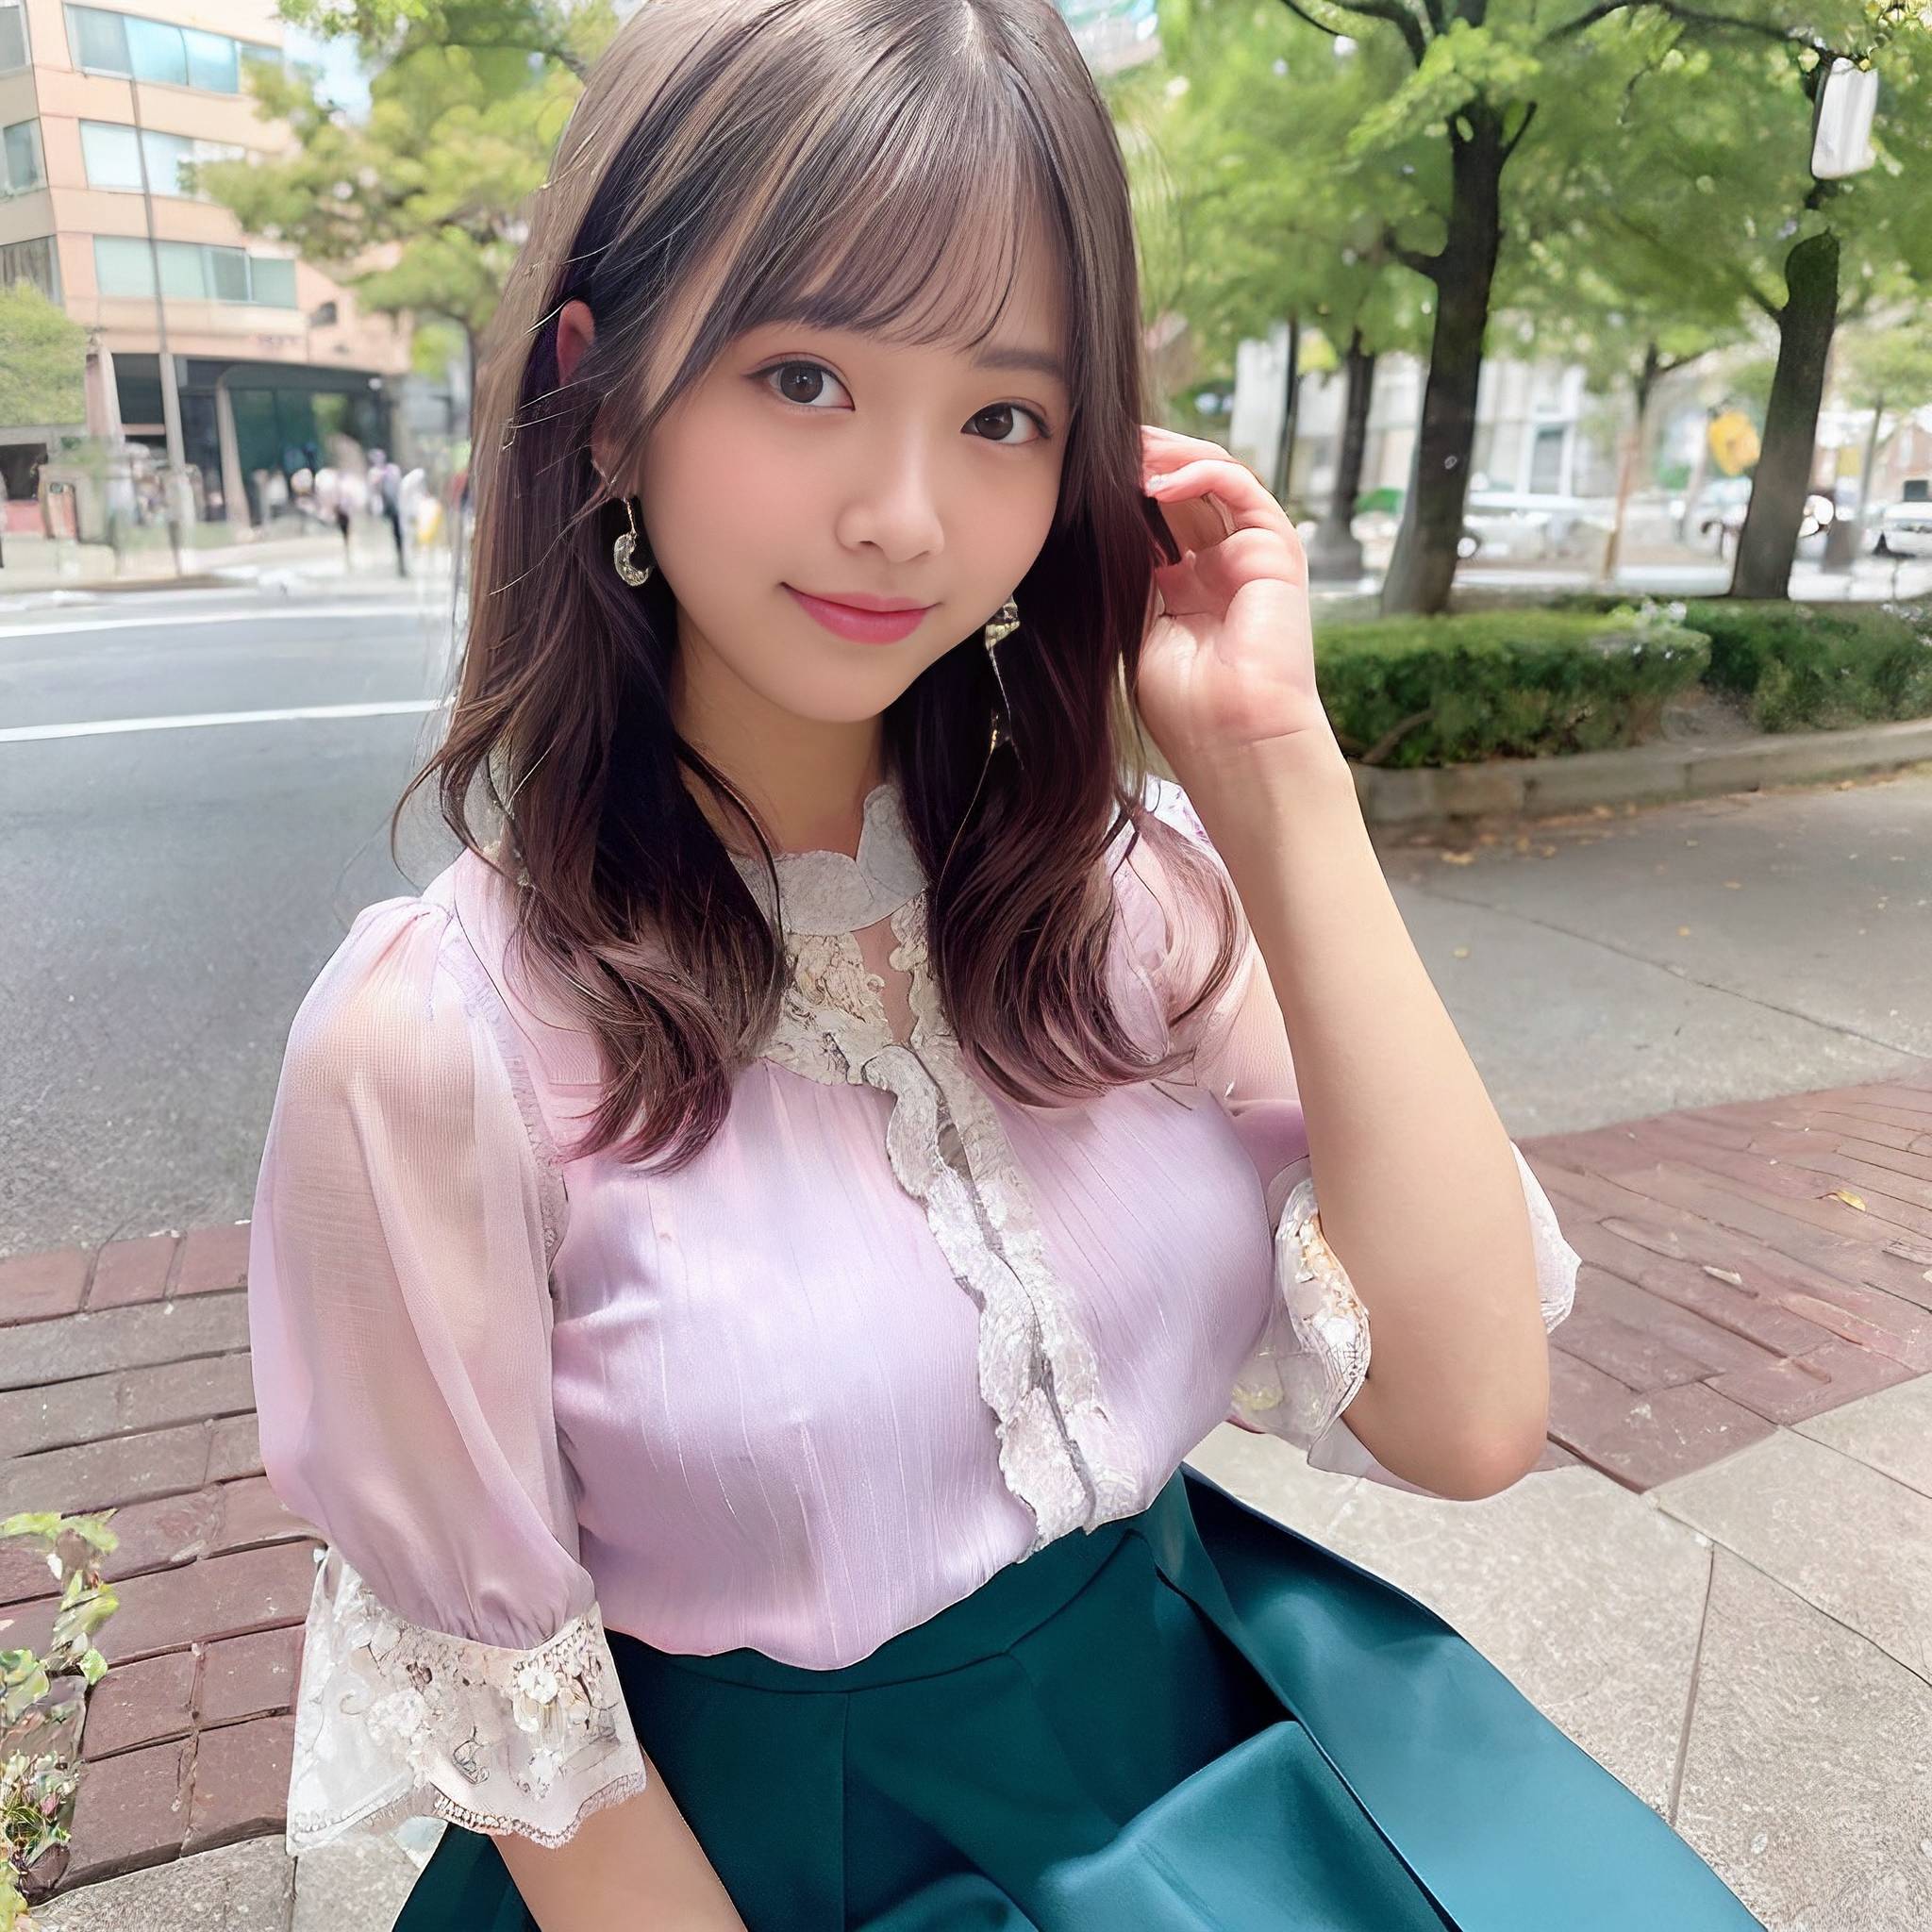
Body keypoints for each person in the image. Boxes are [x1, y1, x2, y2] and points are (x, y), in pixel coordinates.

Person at [243, 4, 1769, 1929]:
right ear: (605, 396)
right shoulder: (439, 1046)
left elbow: (1466, 1415)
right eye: (801, 375)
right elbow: (549, 1768)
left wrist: (1276, 775)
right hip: (761, 1864)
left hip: (1224, 1743)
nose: (905, 509)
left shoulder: (1122, 898)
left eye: (1002, 415)